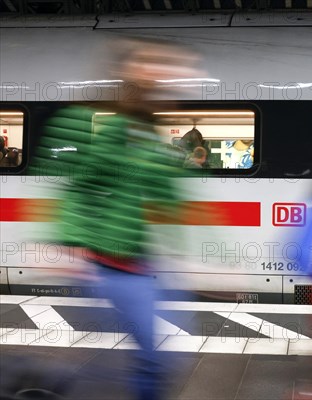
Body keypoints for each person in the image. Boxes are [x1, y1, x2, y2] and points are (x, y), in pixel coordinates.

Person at [31, 36, 197, 400]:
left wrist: (196, 254)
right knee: (146, 360)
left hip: (143, 264)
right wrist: (68, 239)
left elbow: (168, 192)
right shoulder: (112, 132)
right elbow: (79, 186)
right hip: (114, 265)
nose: (169, 77)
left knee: (147, 359)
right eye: (154, 67)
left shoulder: (147, 135)